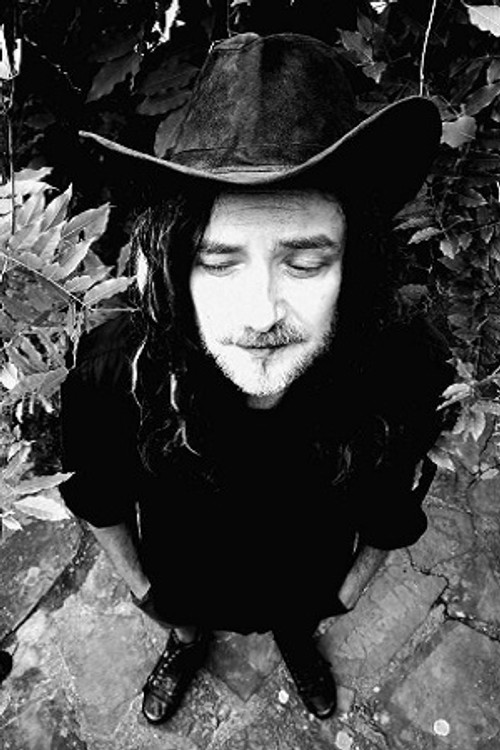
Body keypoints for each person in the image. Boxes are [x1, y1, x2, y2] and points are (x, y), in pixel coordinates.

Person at [60, 32, 453, 724]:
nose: (261, 312)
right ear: (174, 264)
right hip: (183, 576)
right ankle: (186, 644)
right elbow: (99, 495)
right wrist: (147, 593)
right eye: (219, 263)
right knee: (184, 621)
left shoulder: (400, 369)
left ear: (353, 268)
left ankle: (298, 642)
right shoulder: (116, 371)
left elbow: (393, 503)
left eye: (305, 263)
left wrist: (344, 596)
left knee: (297, 619)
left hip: (308, 577)